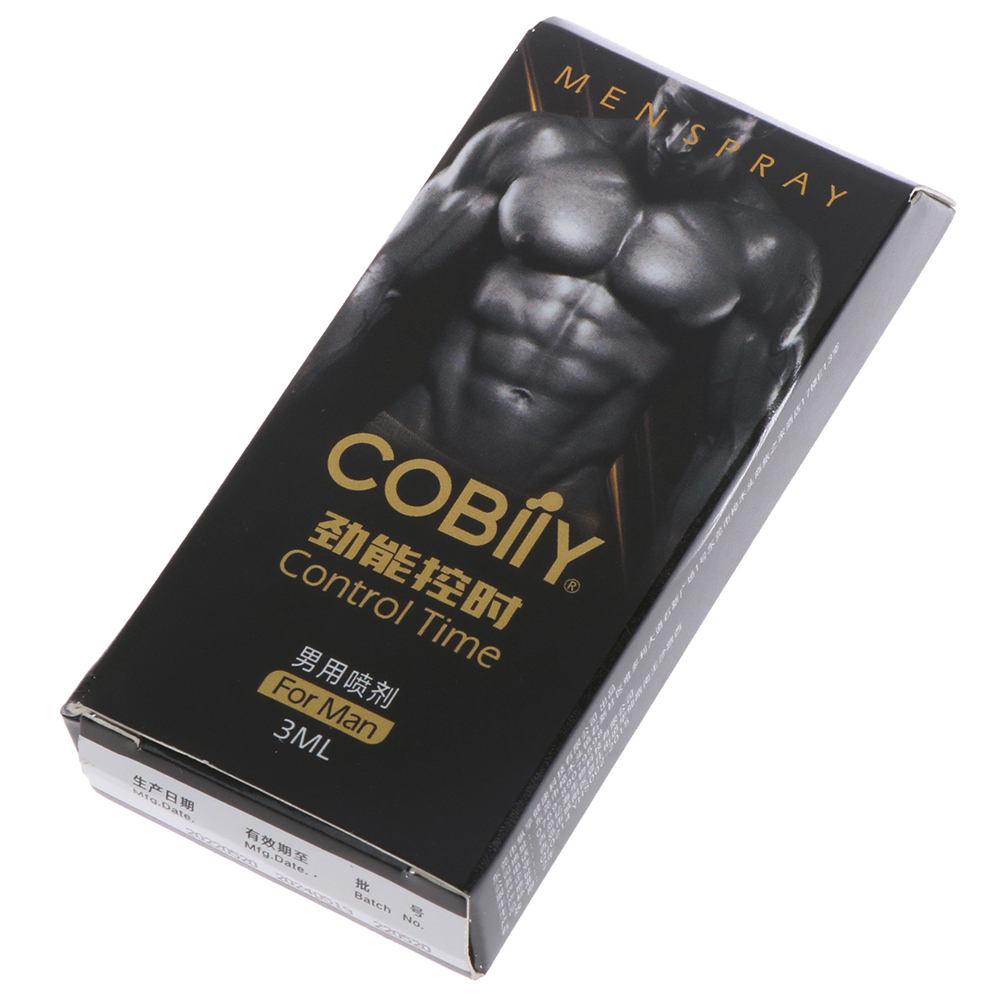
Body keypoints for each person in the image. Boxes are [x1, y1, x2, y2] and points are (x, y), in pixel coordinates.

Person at [307, 79, 821, 574]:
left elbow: (728, 440)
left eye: (714, 133)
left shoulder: (769, 251)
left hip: (550, 515)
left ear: (761, 129)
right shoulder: (536, 144)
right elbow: (383, 274)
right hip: (403, 446)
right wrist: (284, 414)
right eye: (673, 111)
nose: (677, 141)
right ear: (663, 83)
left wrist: (656, 589)